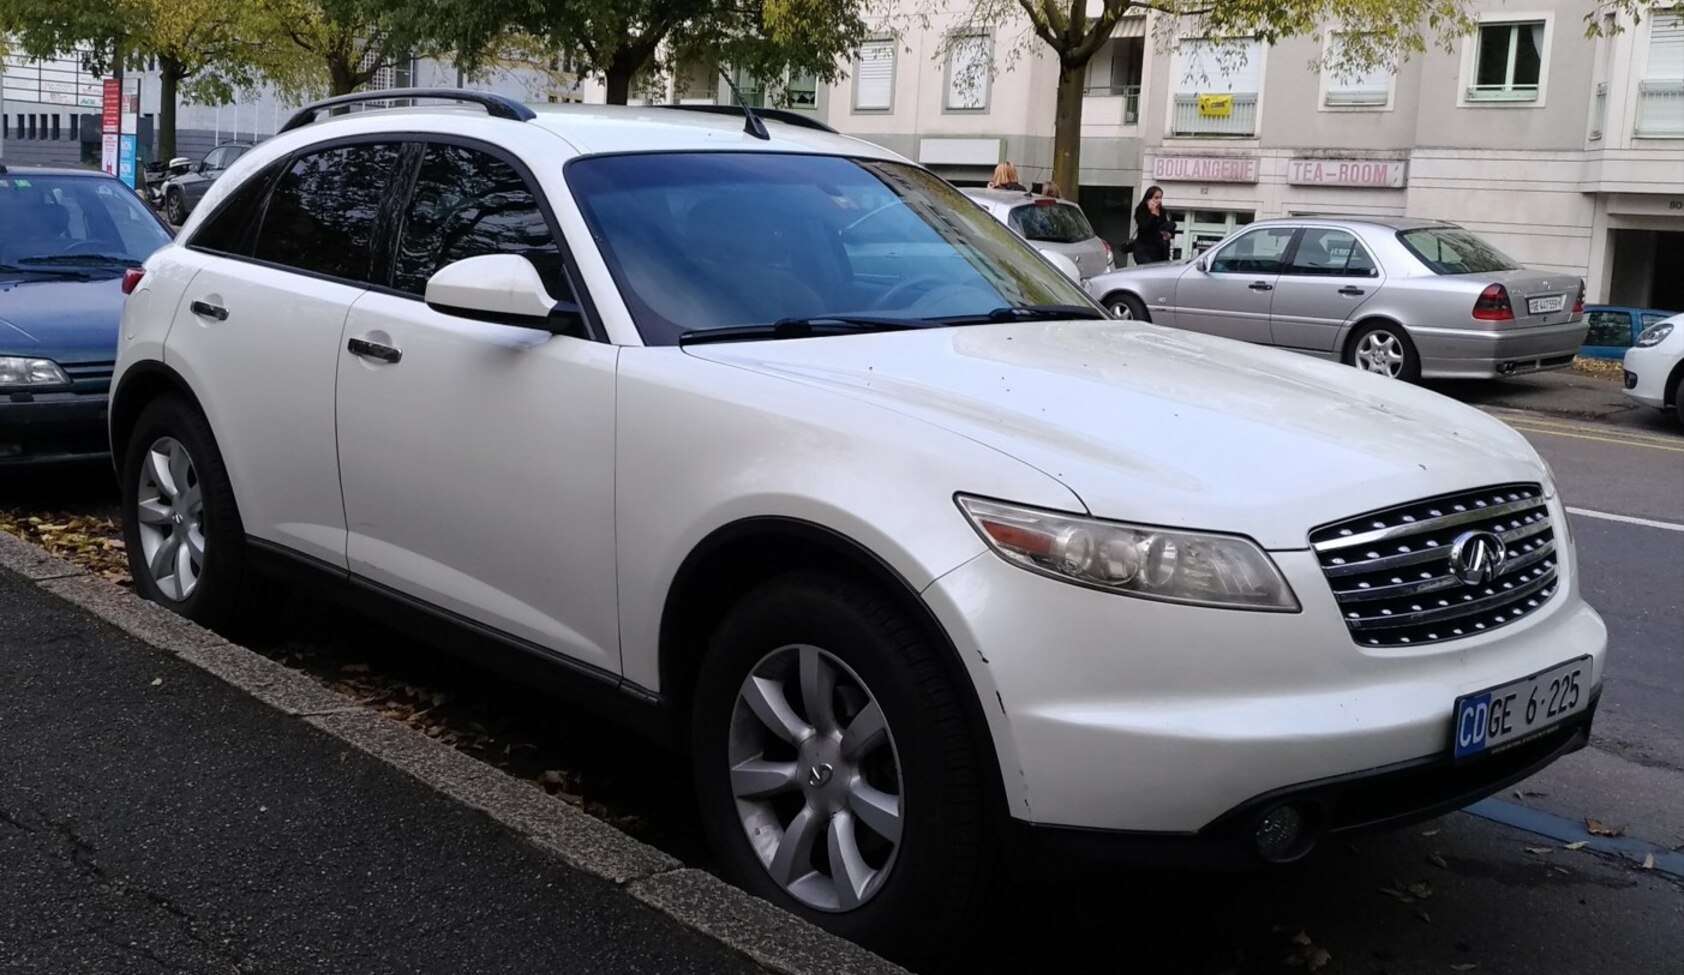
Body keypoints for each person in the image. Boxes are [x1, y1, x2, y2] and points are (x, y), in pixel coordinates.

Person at [1131, 185, 1173, 265]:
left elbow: (1165, 228)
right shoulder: (1141, 211)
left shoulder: (1163, 212)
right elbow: (1144, 227)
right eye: (1156, 198)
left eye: (1160, 198)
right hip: (1144, 249)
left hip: (1159, 250)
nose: (1159, 201)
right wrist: (1153, 214)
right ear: (1148, 199)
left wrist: (1168, 233)